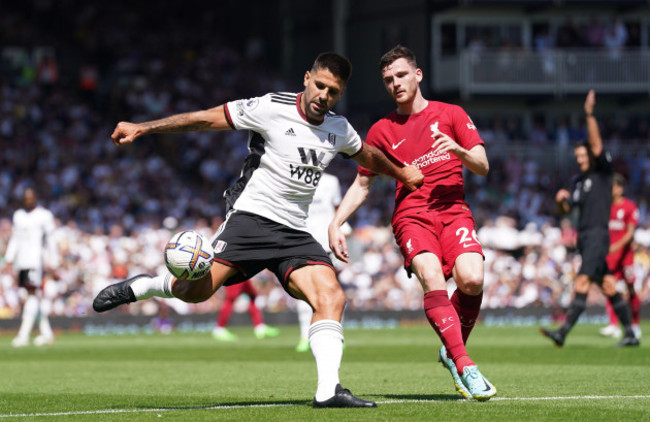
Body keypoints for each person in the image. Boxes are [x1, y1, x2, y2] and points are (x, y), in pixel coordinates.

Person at [93, 52, 423, 408]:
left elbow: (366, 155)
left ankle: (328, 391)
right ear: (306, 78)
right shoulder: (270, 107)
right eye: (321, 85)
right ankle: (145, 286)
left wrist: (402, 172)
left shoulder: (338, 128)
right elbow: (206, 119)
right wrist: (145, 127)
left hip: (294, 231)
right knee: (194, 292)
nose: (324, 96)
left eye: (334, 92)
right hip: (250, 218)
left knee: (332, 297)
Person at [328, 45, 496, 401]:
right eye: (388, 80)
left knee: (472, 279)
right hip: (412, 216)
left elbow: (482, 164)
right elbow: (362, 183)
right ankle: (465, 365)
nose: (395, 83)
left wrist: (459, 151)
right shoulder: (381, 131)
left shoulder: (451, 113)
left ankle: (451, 350)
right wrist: (336, 222)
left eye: (401, 75)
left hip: (454, 211)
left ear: (418, 75)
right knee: (432, 277)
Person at [540, 90, 639, 348]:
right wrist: (561, 201)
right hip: (584, 237)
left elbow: (596, 145)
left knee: (582, 281)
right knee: (607, 284)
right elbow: (566, 211)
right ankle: (630, 333)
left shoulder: (603, 173)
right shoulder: (578, 181)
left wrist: (589, 115)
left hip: (597, 233)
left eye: (584, 156)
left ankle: (562, 333)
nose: (581, 159)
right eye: (578, 157)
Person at [296, 172, 348, 352]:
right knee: (304, 291)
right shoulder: (296, 177)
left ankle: (337, 333)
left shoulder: (332, 181)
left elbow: (337, 208)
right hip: (305, 243)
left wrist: (342, 228)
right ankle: (305, 336)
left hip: (329, 244)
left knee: (335, 290)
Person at [4, 187, 57, 347]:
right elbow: (15, 238)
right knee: (30, 296)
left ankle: (23, 335)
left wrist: (54, 262)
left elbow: (51, 240)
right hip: (22, 262)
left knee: (33, 295)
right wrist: (9, 258)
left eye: (30, 198)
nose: (28, 201)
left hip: (35, 261)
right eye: (25, 198)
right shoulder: (19, 216)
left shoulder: (44, 215)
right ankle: (47, 333)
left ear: (35, 198)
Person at [599, 173, 641, 339]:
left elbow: (630, 233)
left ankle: (635, 325)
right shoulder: (605, 207)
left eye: (613, 186)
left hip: (626, 257)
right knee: (609, 288)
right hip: (610, 257)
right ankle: (614, 325)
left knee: (631, 289)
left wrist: (616, 246)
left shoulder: (630, 207)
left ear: (620, 188)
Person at [212, 279, 280, 341]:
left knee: (252, 295)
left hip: (244, 273)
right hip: (235, 271)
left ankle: (260, 328)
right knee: (231, 297)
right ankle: (219, 329)